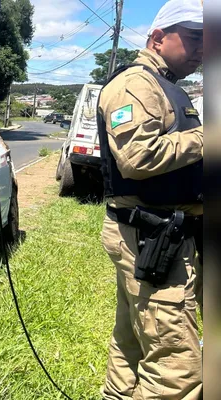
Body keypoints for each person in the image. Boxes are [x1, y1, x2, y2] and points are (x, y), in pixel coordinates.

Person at [95, 0, 204, 399]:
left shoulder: (165, 85)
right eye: (194, 38)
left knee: (134, 340)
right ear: (158, 37)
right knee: (175, 364)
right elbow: (139, 157)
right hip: (152, 236)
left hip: (156, 233)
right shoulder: (136, 84)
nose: (203, 49)